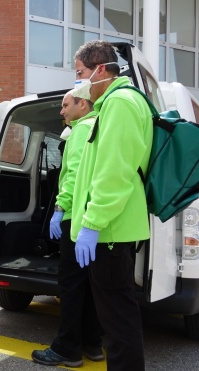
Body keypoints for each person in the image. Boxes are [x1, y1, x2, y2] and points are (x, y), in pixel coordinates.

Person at [70, 40, 153, 371]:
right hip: (110, 229)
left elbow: (113, 172)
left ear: (100, 69)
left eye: (81, 73)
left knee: (118, 322)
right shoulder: (113, 104)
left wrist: (92, 223)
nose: (78, 82)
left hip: (109, 231)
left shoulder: (120, 103)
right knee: (117, 317)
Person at [32, 91, 104, 367]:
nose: (61, 112)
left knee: (71, 286)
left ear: (82, 104)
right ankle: (92, 343)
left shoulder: (80, 131)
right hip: (92, 220)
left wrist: (59, 209)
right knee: (89, 284)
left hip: (74, 219)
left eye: (65, 105)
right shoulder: (100, 127)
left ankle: (66, 349)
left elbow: (73, 175)